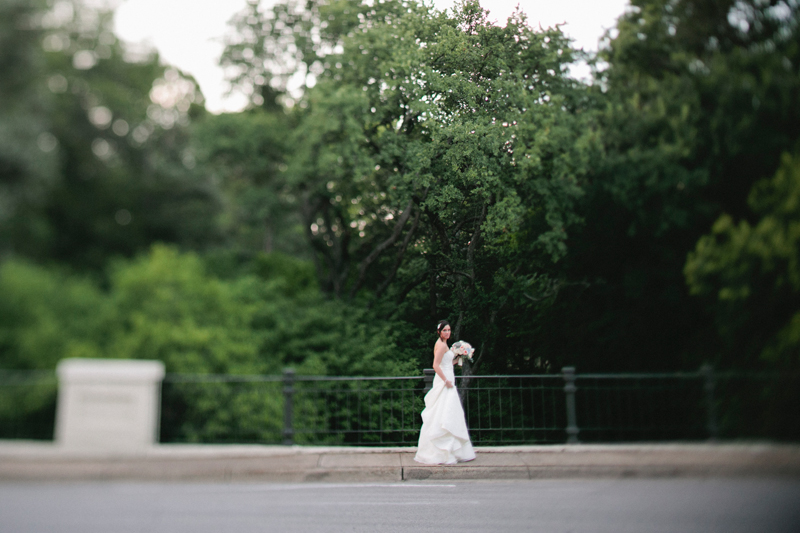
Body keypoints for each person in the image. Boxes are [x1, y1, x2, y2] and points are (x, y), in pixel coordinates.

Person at [414, 320, 476, 464]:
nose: (447, 333)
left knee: (450, 412)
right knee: (443, 412)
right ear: (439, 332)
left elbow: (446, 363)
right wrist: (445, 380)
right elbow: (435, 365)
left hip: (448, 378)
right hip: (445, 381)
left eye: (449, 330)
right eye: (444, 330)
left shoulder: (444, 344)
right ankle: (443, 452)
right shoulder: (441, 345)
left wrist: (460, 357)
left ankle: (450, 449)